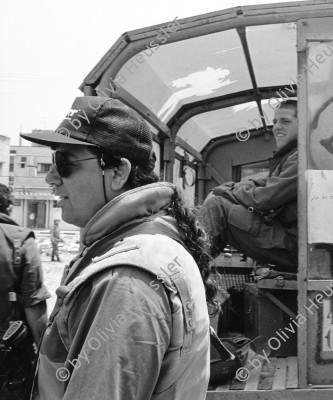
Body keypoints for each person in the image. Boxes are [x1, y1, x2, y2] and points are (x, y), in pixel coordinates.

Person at [20, 96, 216, 400]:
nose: (51, 177)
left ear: (118, 172)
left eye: (64, 162)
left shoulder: (126, 278)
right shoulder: (142, 245)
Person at [199, 100, 298, 271]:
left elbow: (265, 198)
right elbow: (263, 183)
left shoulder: (301, 158)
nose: (277, 127)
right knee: (214, 205)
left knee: (218, 206)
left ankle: (187, 270)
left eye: (285, 121)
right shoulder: (290, 157)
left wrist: (225, 192)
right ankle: (197, 265)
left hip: (293, 246)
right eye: (274, 122)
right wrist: (229, 188)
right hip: (289, 241)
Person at [0, 183, 49, 399]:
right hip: (9, 355)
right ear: (9, 208)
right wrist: (45, 352)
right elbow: (33, 304)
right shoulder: (20, 240)